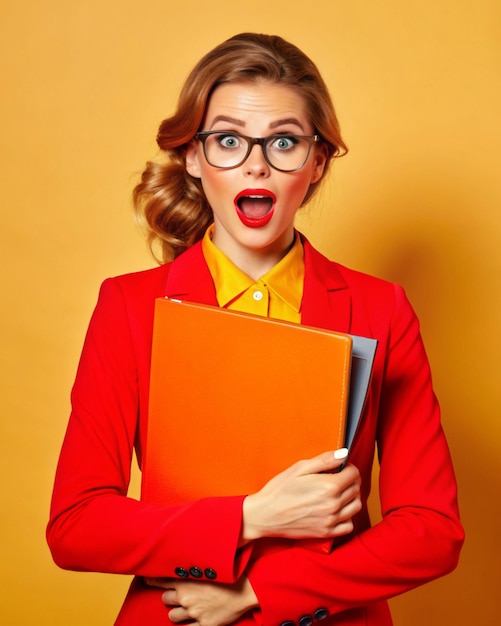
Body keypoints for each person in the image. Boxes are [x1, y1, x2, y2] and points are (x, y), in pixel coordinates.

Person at [47, 33, 464, 626]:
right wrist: (251, 517)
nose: (256, 163)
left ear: (317, 160)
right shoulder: (130, 307)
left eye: (284, 141)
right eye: (228, 140)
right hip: (174, 615)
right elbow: (75, 527)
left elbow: (432, 530)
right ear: (193, 157)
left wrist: (260, 591)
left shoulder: (382, 308)